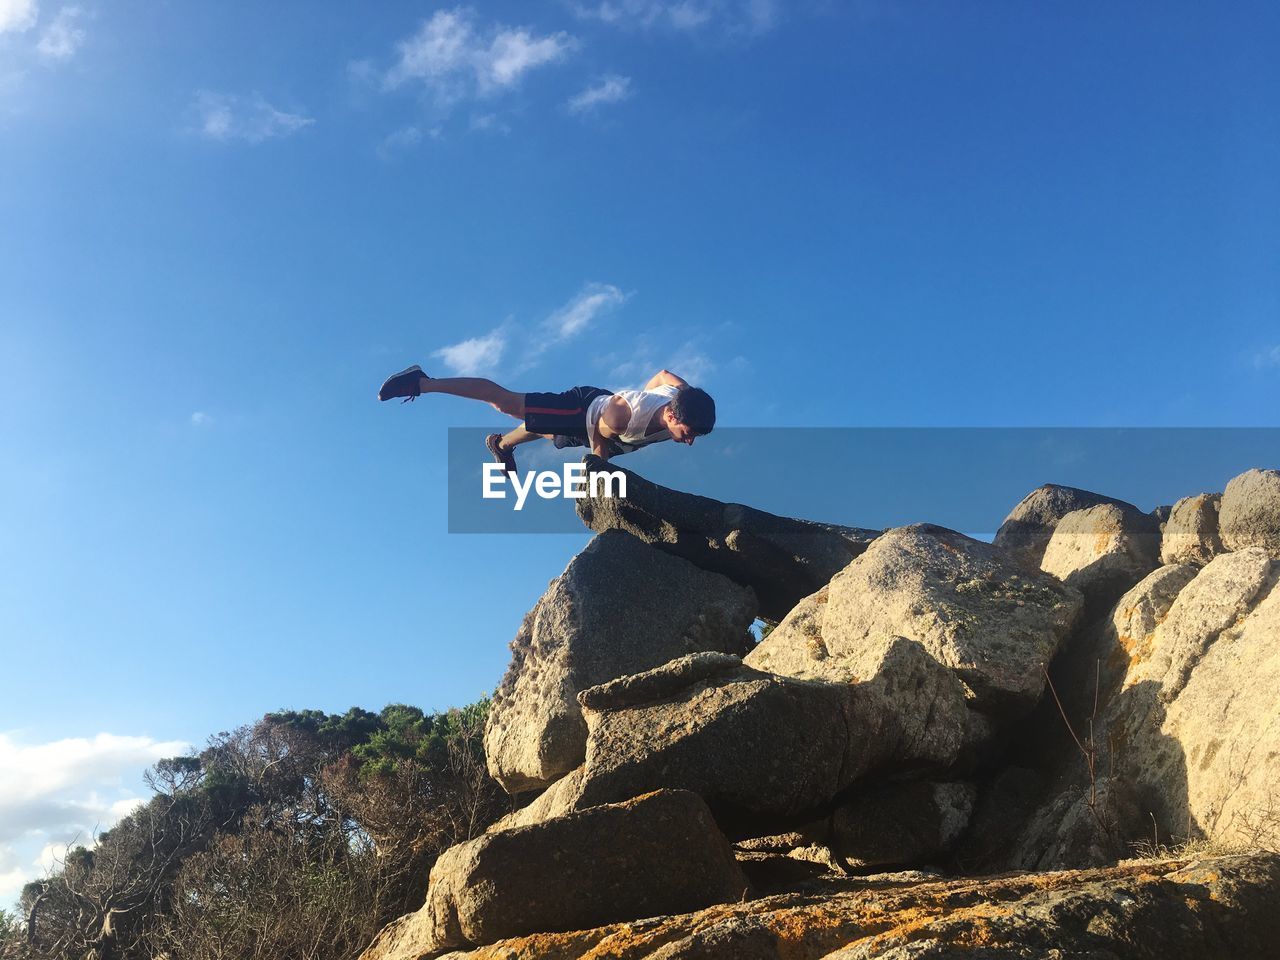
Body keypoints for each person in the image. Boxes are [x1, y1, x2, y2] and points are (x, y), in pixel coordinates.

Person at [377, 365, 715, 473]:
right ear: (671, 415)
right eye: (686, 433)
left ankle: (501, 445)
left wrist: (650, 391)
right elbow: (600, 441)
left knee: (549, 433)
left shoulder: (679, 397)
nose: (689, 441)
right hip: (588, 411)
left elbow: (662, 375)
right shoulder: (623, 416)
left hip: (611, 424)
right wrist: (598, 476)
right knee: (506, 403)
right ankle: (422, 382)